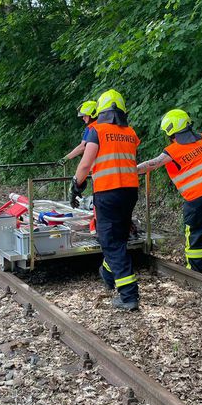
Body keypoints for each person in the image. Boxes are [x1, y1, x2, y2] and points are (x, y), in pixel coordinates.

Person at [136, 109, 202, 278]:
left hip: (198, 197)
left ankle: (195, 271)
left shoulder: (173, 150)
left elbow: (152, 164)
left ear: (170, 132)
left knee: (194, 232)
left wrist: (130, 170)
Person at [71, 89, 141, 311]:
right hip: (129, 191)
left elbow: (86, 163)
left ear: (101, 111)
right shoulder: (130, 133)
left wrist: (76, 185)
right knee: (119, 237)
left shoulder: (97, 131)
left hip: (108, 192)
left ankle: (128, 295)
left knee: (110, 242)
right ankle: (108, 274)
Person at [60, 100, 98, 165]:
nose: (83, 118)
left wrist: (65, 158)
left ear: (92, 114)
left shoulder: (92, 128)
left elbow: (82, 147)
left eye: (85, 115)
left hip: (97, 165)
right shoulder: (106, 125)